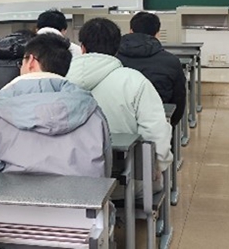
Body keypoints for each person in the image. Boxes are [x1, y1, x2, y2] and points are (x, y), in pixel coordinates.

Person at [0, 33, 111, 178]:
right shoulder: (90, 107)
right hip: (83, 191)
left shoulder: (1, 106)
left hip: (15, 191)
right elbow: (105, 166)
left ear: (31, 61)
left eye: (21, 62)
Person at [66, 18, 173, 183]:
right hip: (125, 183)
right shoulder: (135, 81)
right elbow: (155, 132)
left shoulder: (60, 78)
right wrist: (158, 166)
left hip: (68, 180)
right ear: (117, 48)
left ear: (82, 47)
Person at [116, 12, 186, 126]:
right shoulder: (171, 61)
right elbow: (179, 101)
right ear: (157, 34)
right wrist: (170, 125)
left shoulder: (113, 59)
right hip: (157, 123)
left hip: (118, 124)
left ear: (130, 31)